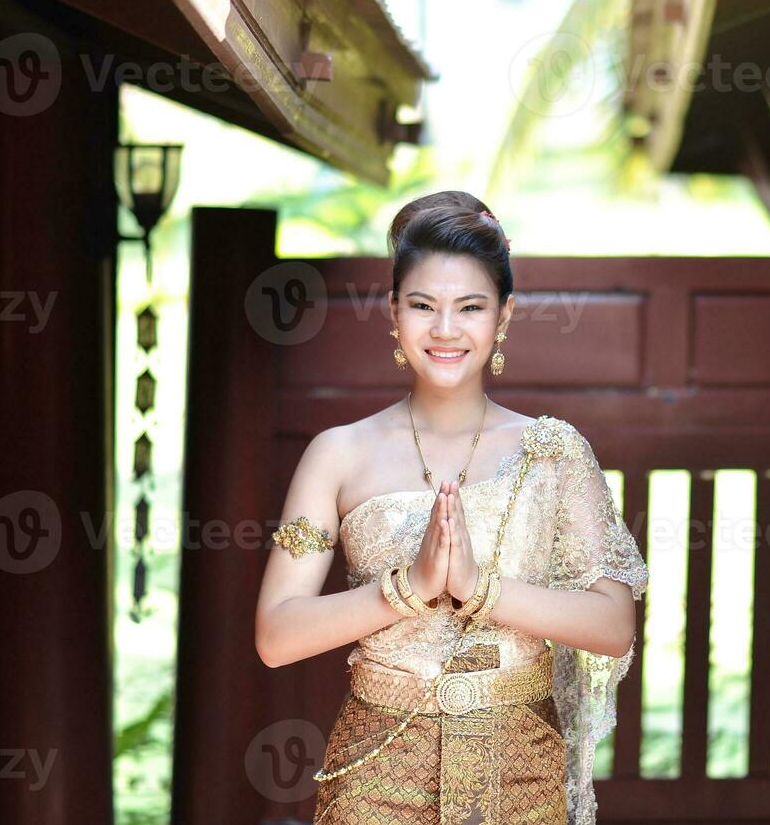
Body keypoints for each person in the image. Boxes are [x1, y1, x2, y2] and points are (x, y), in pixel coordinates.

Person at [254, 190, 649, 825]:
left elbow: (612, 625)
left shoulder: (553, 452)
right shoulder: (338, 455)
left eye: (470, 307)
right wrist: (408, 589)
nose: (444, 330)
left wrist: (479, 587)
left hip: (522, 770)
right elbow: (276, 636)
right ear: (392, 312)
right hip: (377, 774)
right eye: (422, 306)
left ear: (505, 315)